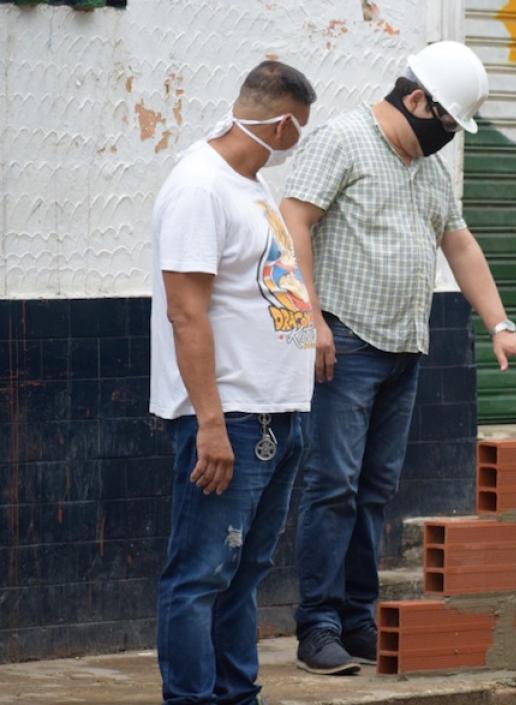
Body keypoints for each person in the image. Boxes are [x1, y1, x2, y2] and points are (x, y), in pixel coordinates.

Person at [280, 40, 516, 675]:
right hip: (344, 341)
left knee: (372, 490)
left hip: (405, 347)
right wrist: (308, 316)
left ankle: (356, 619)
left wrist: (500, 325)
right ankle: (316, 626)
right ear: (417, 99)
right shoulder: (344, 139)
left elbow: (459, 244)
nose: (448, 136)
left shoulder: (429, 170)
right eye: (447, 123)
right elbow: (293, 221)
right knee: (333, 487)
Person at [149, 61, 317, 705]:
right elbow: (186, 312)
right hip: (231, 419)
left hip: (276, 412)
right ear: (281, 123)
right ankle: (192, 699)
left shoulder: (248, 183)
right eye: (298, 130)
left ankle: (236, 695)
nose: (295, 142)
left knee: (244, 574)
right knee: (199, 575)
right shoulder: (199, 187)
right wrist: (210, 424)